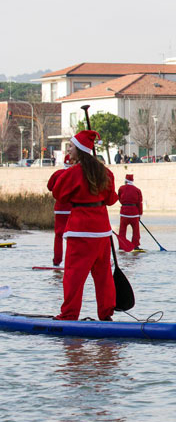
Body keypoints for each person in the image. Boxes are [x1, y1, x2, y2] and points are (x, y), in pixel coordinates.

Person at [51, 130, 118, 321]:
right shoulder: (106, 173)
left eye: (71, 146)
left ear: (79, 150)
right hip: (102, 230)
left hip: (80, 230)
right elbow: (111, 199)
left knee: (74, 275)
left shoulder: (72, 173)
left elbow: (59, 194)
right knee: (103, 276)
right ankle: (106, 314)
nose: (69, 149)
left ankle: (69, 314)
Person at [46, 155, 73, 266]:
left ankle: (57, 261)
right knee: (72, 236)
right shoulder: (75, 173)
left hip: (60, 208)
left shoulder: (57, 174)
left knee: (58, 236)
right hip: (72, 208)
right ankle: (71, 262)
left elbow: (49, 186)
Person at [118, 173, 144, 250]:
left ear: (125, 181)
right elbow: (139, 203)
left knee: (122, 231)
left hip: (124, 212)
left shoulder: (121, 188)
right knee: (136, 231)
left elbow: (119, 198)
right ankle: (135, 245)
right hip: (134, 213)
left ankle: (122, 246)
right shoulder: (137, 190)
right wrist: (140, 214)